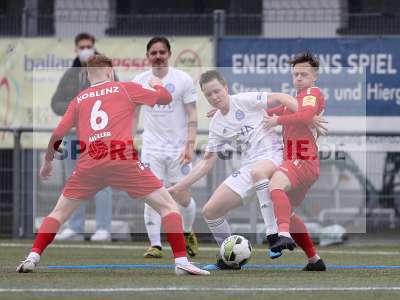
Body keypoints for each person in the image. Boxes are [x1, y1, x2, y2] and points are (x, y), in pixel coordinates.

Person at [17, 55, 209, 276]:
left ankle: (32, 256)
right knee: (168, 207)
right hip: (121, 159)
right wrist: (157, 85)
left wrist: (48, 162)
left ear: (87, 75)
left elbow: (58, 133)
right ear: (109, 71)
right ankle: (181, 262)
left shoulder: (79, 99)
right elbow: (165, 98)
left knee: (58, 214)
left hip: (89, 164)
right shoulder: (125, 88)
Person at [168, 70, 299, 270]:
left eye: (217, 91)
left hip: (273, 155)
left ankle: (274, 236)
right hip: (250, 166)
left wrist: (308, 118)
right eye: (208, 95)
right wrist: (177, 187)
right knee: (210, 211)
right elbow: (205, 164)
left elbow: (282, 98)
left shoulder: (244, 100)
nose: (214, 97)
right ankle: (229, 257)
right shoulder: (217, 123)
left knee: (258, 172)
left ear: (226, 88)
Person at [132, 37, 199, 258]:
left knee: (182, 196)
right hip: (152, 148)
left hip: (179, 149)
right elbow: (133, 113)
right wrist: (128, 141)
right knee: (151, 194)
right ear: (148, 56)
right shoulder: (139, 80)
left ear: (169, 54)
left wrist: (190, 144)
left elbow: (191, 112)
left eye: (162, 52)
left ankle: (188, 233)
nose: (158, 56)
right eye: (154, 52)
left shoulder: (183, 79)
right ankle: (155, 245)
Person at [264, 52, 327, 271]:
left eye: (304, 74)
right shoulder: (296, 98)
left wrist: (277, 121)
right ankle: (314, 260)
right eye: (296, 74)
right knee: (287, 213)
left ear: (314, 76)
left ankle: (282, 235)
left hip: (302, 158)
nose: (299, 78)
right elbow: (269, 111)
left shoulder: (312, 92)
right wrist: (230, 110)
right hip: (300, 161)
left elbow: (306, 116)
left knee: (275, 185)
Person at [51, 32, 113, 242]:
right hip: (73, 138)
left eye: (89, 45)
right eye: (82, 46)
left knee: (103, 182)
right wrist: (75, 110)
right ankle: (75, 227)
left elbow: (117, 98)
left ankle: (104, 228)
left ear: (94, 46)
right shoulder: (70, 74)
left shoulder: (106, 70)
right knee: (73, 181)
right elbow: (55, 103)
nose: (86, 49)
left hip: (99, 137)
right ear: (76, 49)